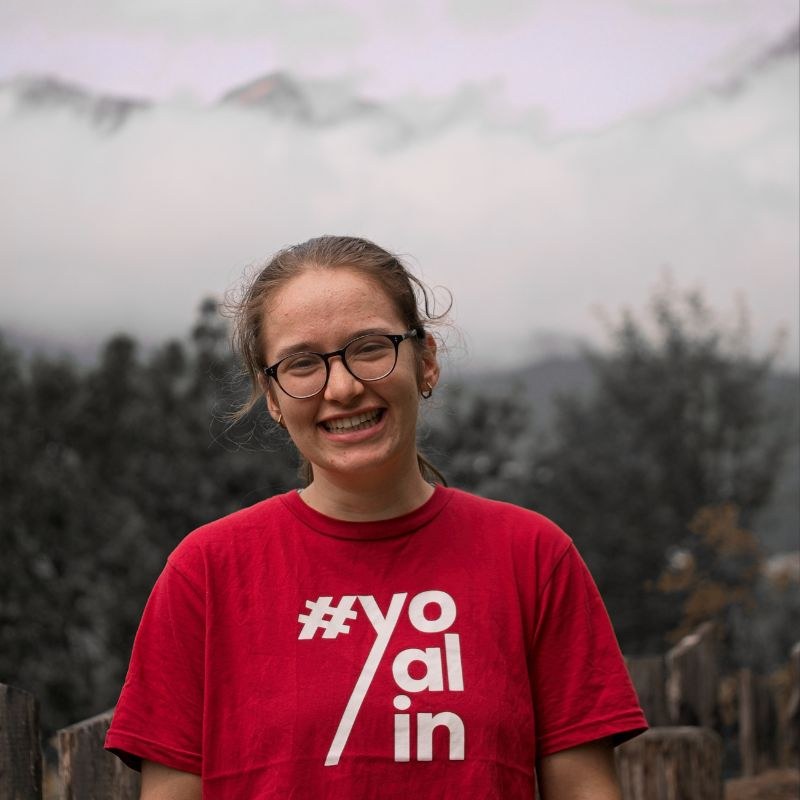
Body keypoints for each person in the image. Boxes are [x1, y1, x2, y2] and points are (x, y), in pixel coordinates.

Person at [105, 235, 647, 799]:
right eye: (301, 363)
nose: (342, 388)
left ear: (426, 361)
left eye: (369, 348)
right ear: (272, 395)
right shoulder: (206, 572)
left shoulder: (533, 557)